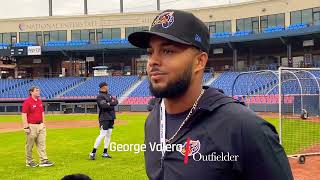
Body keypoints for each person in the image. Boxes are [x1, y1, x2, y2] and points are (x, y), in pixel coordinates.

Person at [128, 9, 293, 180]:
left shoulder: (245, 128)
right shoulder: (154, 119)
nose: (152, 61)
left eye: (168, 51)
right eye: (150, 52)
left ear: (199, 61)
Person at [22, 86, 54, 167]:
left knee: (42, 144)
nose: (38, 92)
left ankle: (43, 160)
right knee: (30, 145)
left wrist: (43, 124)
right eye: (36, 90)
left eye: (39, 90)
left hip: (40, 125)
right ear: (31, 92)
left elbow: (42, 113)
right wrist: (26, 127)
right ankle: (29, 161)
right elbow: (24, 114)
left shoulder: (39, 101)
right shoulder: (27, 102)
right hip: (31, 125)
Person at [89, 82, 118, 159]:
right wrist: (110, 103)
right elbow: (103, 106)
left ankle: (105, 152)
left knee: (109, 135)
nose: (108, 87)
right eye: (106, 86)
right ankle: (93, 152)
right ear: (103, 87)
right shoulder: (100, 96)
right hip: (104, 117)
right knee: (102, 134)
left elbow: (116, 102)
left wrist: (109, 103)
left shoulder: (109, 95)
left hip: (111, 117)